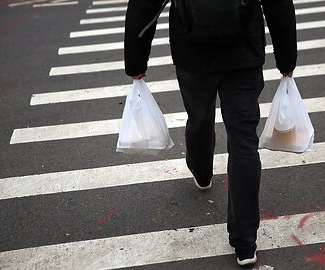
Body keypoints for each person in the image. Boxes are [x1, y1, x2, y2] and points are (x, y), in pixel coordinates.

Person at [124, 0, 297, 266]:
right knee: (243, 143)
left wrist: (135, 59)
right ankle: (245, 242)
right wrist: (286, 58)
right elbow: (279, 4)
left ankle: (202, 171)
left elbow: (144, 4)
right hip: (244, 52)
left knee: (199, 117)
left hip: (191, 52)